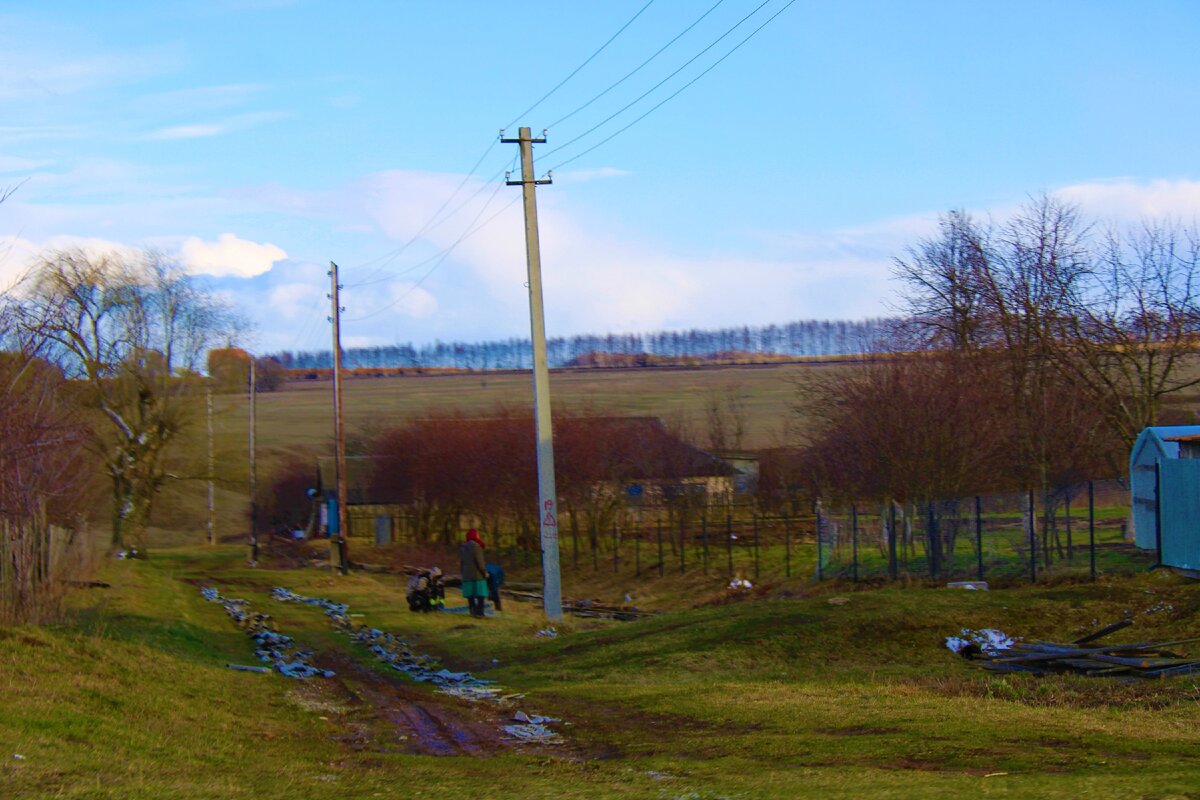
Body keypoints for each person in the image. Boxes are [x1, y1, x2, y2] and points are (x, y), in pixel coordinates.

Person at [459, 529, 489, 618]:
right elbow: (480, 563)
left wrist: (462, 573)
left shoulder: (462, 547)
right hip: (477, 575)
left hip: (466, 575)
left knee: (470, 595)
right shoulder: (477, 546)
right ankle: (480, 612)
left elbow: (462, 562)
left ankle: (472, 611)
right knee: (480, 595)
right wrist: (485, 573)